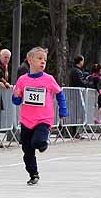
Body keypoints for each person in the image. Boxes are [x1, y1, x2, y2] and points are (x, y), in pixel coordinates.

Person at [12, 47, 67, 185]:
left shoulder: (49, 79)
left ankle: (43, 141)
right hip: (26, 120)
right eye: (39, 59)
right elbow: (16, 101)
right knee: (27, 150)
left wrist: (63, 111)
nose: (43, 62)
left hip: (44, 119)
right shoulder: (22, 80)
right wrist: (16, 95)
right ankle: (33, 174)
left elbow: (60, 94)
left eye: (45, 60)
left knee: (38, 142)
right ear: (30, 60)